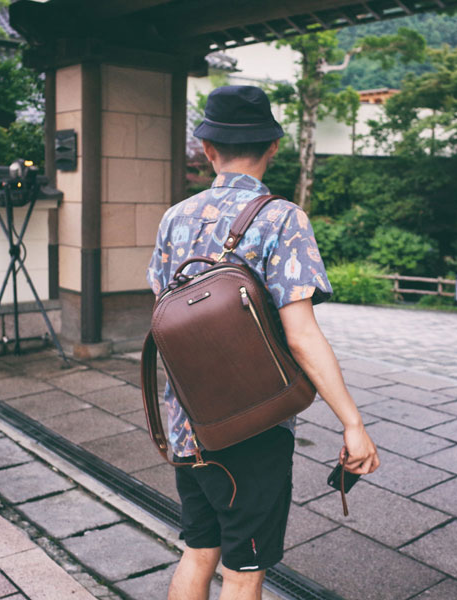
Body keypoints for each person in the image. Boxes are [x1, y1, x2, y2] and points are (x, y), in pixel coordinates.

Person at [146, 85, 380, 600]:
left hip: (188, 420)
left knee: (198, 551)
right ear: (272, 147)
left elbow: (164, 316)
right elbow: (300, 334)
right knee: (245, 571)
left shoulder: (174, 217)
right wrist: (353, 423)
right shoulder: (281, 218)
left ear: (207, 150)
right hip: (253, 426)